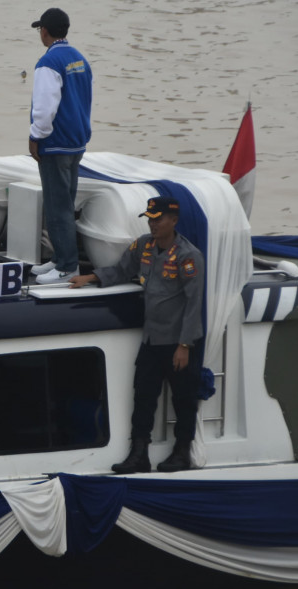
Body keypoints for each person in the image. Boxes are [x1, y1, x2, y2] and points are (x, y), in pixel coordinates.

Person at [69, 196, 205, 473]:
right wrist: (90, 278)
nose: (153, 224)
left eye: (158, 219)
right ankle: (139, 454)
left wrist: (184, 345)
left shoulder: (188, 256)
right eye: (150, 219)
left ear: (174, 221)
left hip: (179, 342)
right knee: (143, 398)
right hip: (151, 340)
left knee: (184, 400)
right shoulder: (143, 245)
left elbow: (194, 304)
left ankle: (182, 454)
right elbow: (122, 271)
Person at [28, 7, 93, 285]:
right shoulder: (79, 59)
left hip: (55, 144)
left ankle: (67, 266)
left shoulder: (48, 62)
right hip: (76, 142)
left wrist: (35, 137)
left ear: (45, 31)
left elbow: (44, 110)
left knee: (57, 208)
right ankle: (59, 259)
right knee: (65, 202)